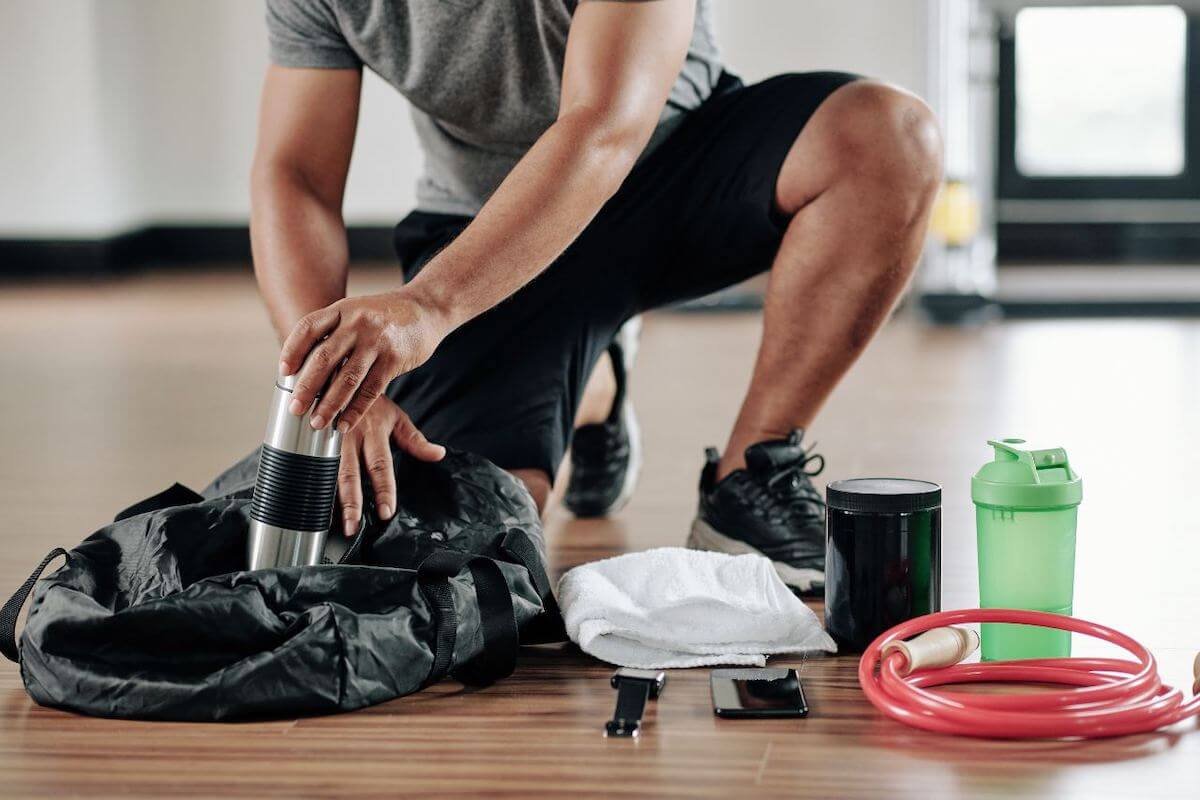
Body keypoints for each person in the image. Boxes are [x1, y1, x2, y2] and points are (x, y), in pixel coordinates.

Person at [251, 0, 942, 594]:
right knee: (476, 534)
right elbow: (295, 176)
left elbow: (604, 124)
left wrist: (430, 306)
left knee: (888, 138)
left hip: (670, 171)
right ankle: (597, 390)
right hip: (488, 232)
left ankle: (749, 477)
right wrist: (331, 383)